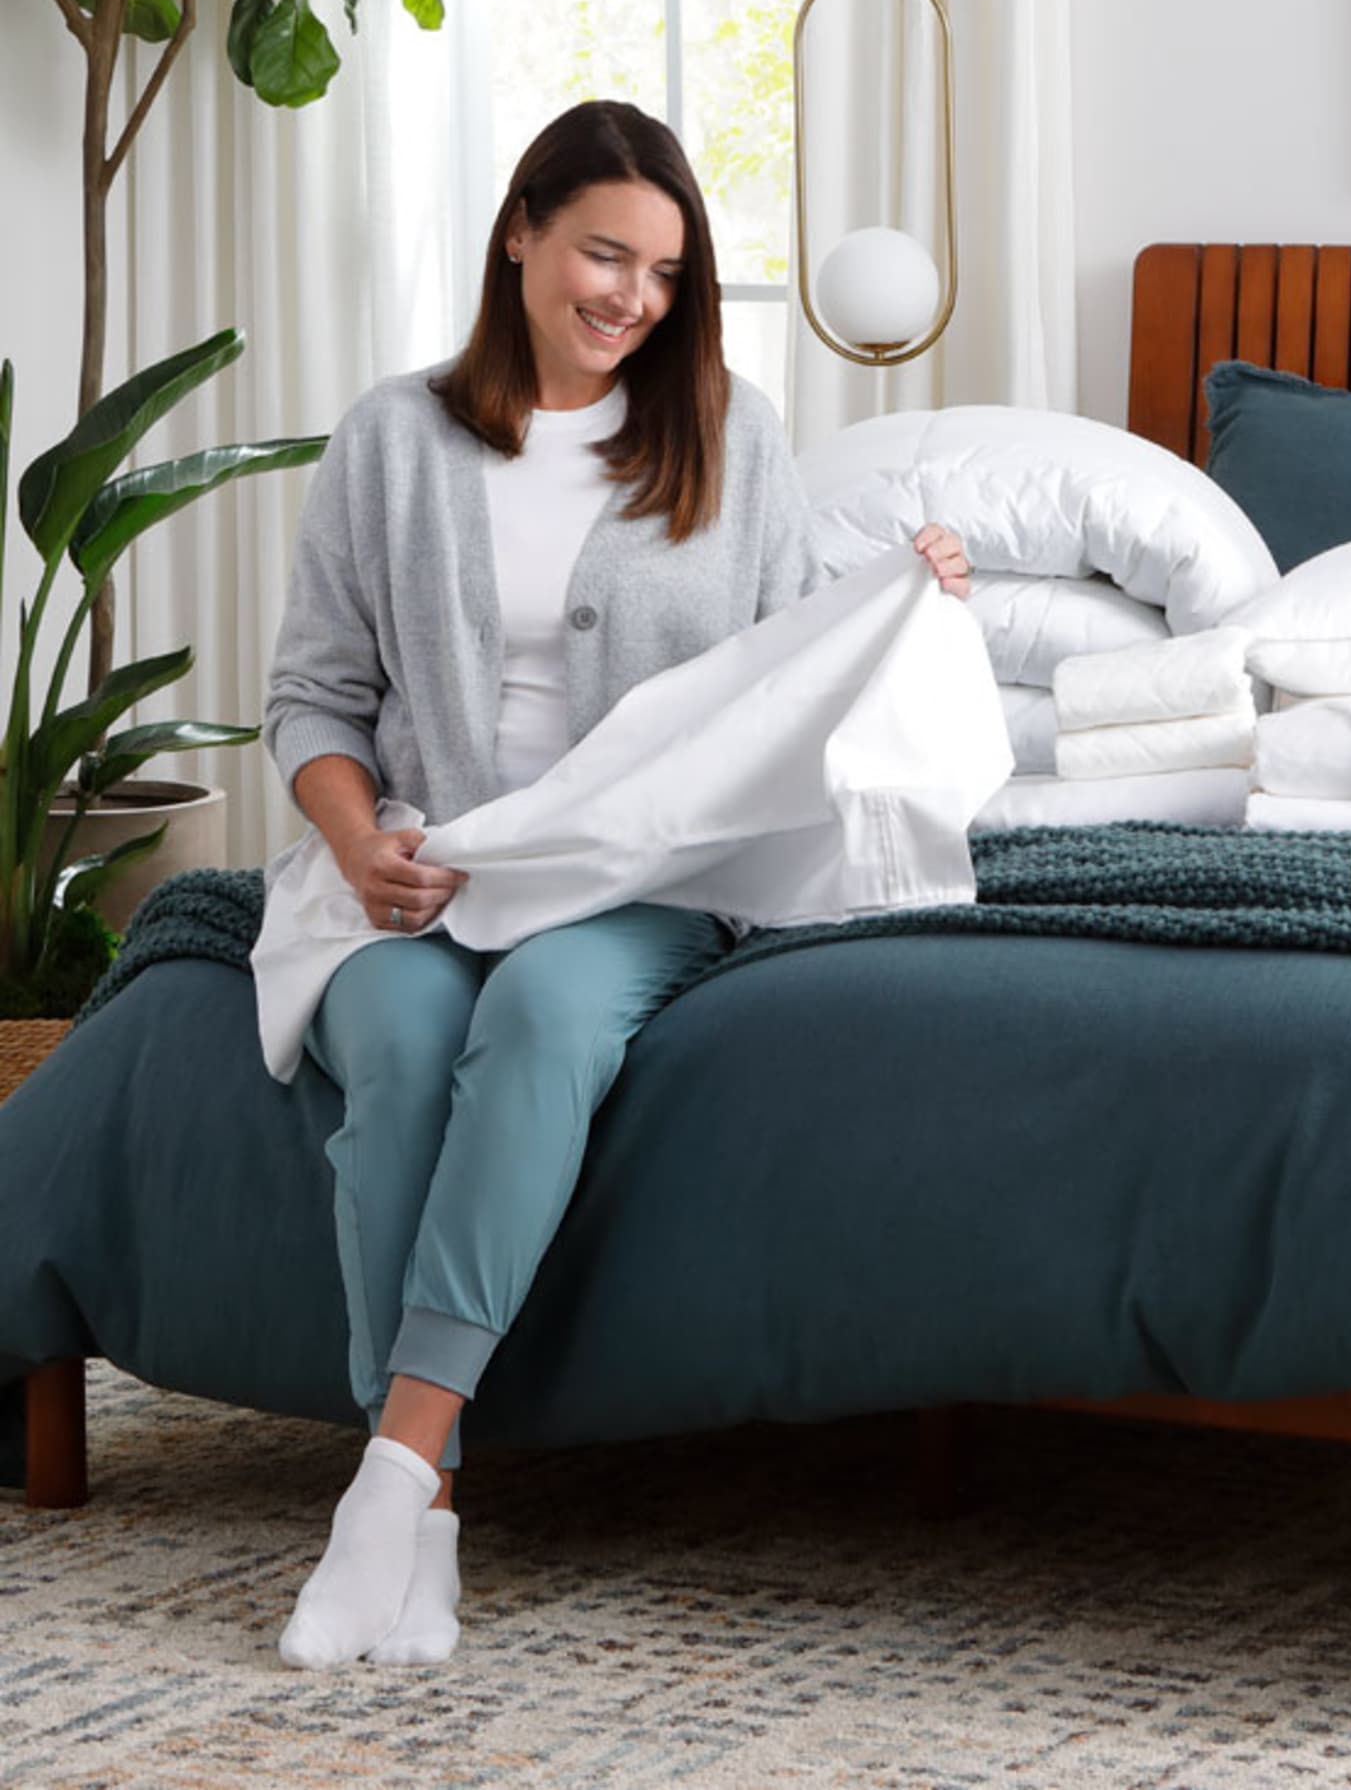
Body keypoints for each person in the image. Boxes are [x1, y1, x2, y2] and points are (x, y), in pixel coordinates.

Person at [263, 99, 970, 1671]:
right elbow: (311, 694)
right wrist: (352, 830)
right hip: (427, 865)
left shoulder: (736, 427)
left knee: (541, 1025)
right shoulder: (391, 438)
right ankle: (427, 1520)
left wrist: (900, 600)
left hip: (639, 875)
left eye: (662, 270)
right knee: (391, 1049)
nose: (630, 298)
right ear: (520, 231)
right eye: (602, 253)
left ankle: (390, 1478)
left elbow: (794, 673)